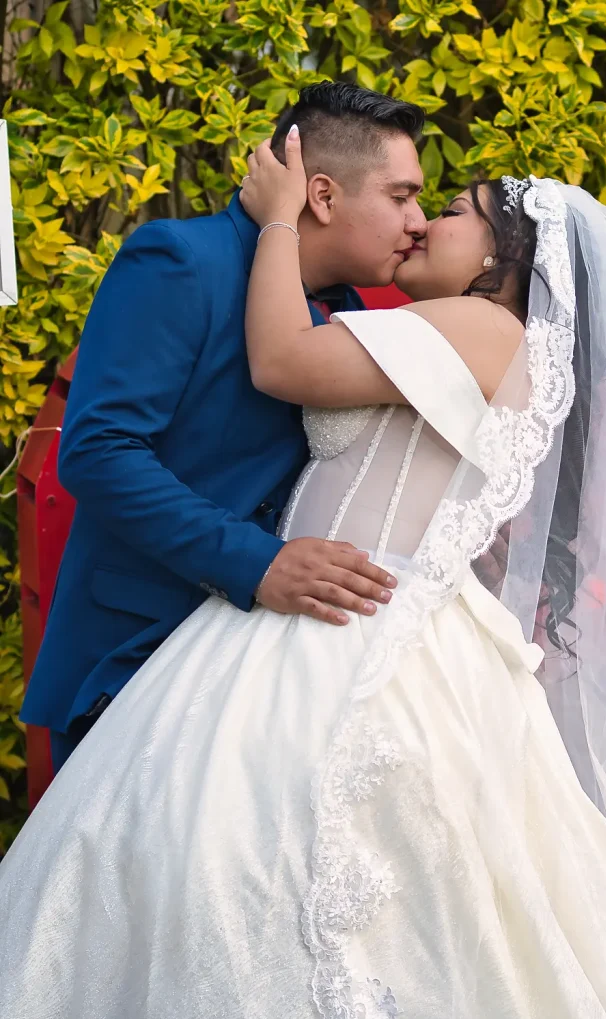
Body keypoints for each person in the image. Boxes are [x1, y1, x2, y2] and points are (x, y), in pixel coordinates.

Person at [2, 132, 606, 1019]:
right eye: (408, 198)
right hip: (343, 613)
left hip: (353, 625)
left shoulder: (479, 325)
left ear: (499, 260)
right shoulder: (446, 329)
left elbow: (281, 362)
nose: (418, 222)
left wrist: (276, 217)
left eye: (444, 211)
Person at [19, 83, 428, 773]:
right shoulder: (179, 260)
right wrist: (257, 562)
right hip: (137, 659)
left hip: (276, 681)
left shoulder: (358, 308)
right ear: (321, 196)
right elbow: (98, 452)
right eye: (400, 196)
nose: (417, 221)